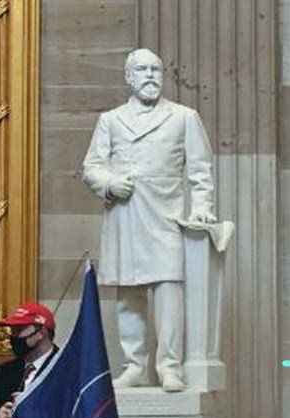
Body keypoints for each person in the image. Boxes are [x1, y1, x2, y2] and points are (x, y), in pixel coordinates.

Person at [81, 48, 217, 392]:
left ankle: (169, 366)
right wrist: (110, 183)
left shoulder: (183, 117)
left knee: (169, 290)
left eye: (155, 69)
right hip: (125, 215)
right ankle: (134, 366)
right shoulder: (111, 120)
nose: (150, 76)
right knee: (129, 293)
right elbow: (92, 167)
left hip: (165, 216)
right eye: (142, 70)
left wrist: (202, 206)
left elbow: (200, 171)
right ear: (129, 77)